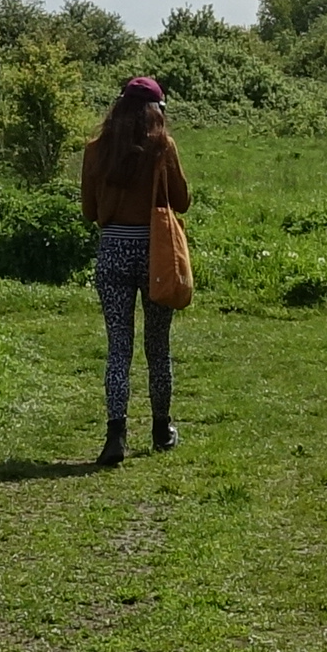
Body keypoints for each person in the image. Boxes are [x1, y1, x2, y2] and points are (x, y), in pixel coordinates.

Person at [75, 72, 191, 464]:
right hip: (155, 253)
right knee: (158, 347)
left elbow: (90, 211)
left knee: (118, 348)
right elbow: (183, 201)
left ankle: (115, 436)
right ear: (156, 110)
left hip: (113, 252)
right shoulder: (163, 147)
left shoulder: (96, 149)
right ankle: (161, 429)